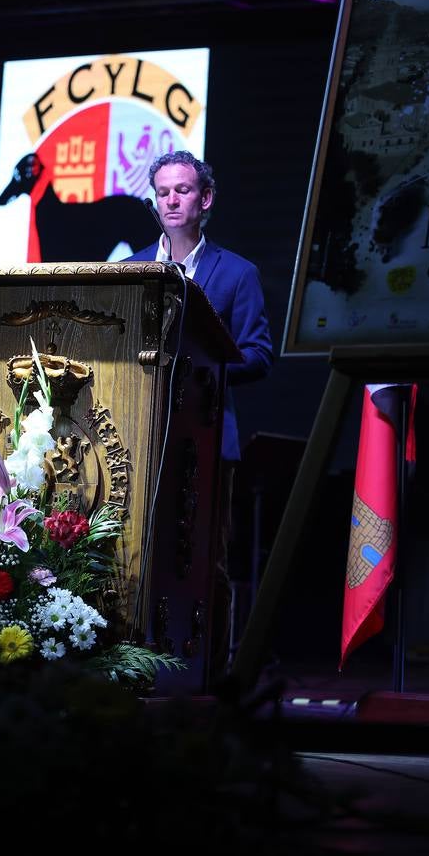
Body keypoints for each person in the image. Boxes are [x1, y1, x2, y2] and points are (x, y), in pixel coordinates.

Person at [126, 150, 273, 681]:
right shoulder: (129, 272)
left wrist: (199, 365)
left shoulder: (237, 273)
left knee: (204, 559)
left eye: (183, 190)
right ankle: (131, 666)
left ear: (204, 199)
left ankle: (208, 675)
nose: (171, 199)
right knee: (134, 553)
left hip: (208, 439)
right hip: (137, 439)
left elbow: (258, 355)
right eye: (163, 191)